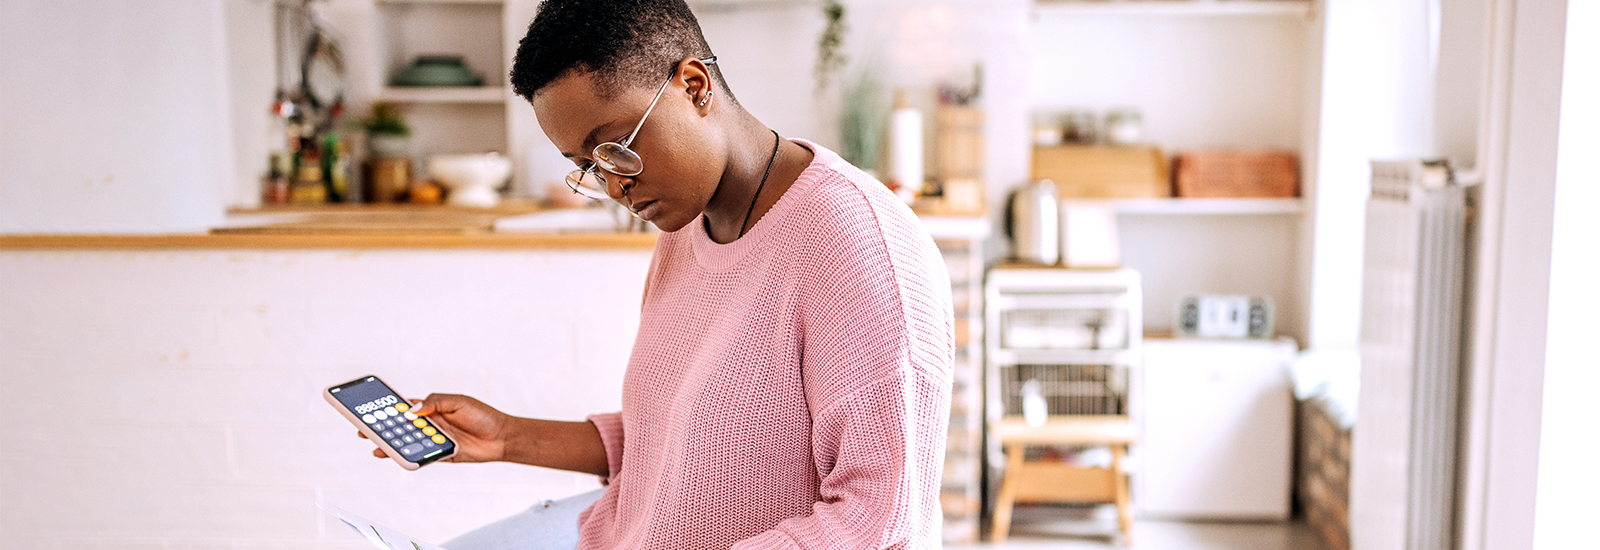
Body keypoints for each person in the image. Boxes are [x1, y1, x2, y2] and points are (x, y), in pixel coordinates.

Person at [377, 1, 954, 548]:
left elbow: (876, 519)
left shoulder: (858, 248)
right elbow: (675, 442)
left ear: (694, 85)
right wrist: (505, 435)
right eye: (588, 166)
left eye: (615, 148)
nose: (613, 185)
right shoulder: (687, 227)